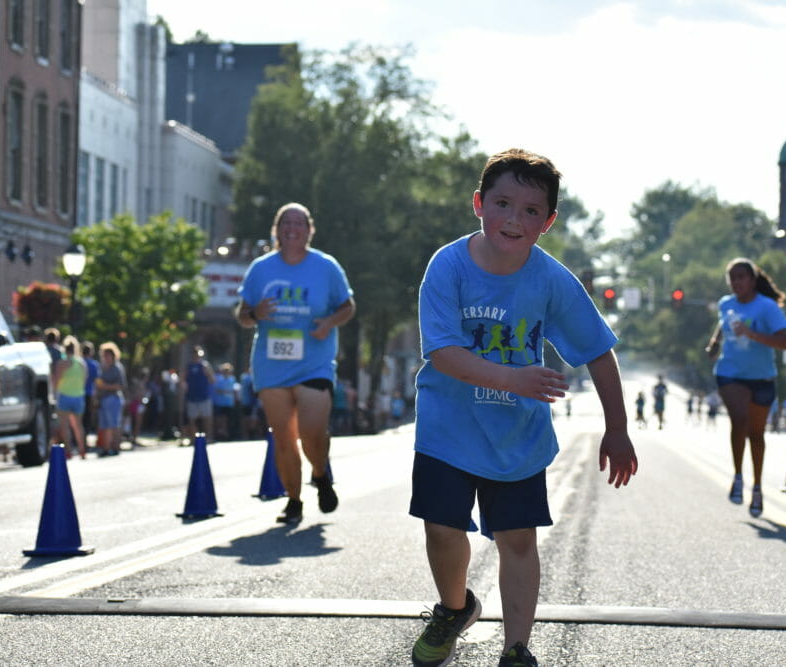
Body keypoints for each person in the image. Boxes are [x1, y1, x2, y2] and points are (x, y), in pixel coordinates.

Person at [409, 149, 637, 667]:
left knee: (516, 540)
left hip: (517, 437)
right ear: (479, 204)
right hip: (448, 428)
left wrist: (618, 428)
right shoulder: (448, 265)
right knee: (442, 529)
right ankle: (454, 608)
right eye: (503, 204)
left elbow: (598, 350)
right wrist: (514, 378)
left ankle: (517, 648)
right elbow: (443, 353)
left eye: (531, 210)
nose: (514, 219)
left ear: (548, 222)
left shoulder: (551, 280)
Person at [235, 202, 356, 525]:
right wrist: (255, 313)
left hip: (314, 362)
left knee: (312, 431)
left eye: (298, 222)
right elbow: (242, 315)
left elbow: (348, 306)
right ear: (277, 230)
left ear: (309, 229)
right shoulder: (260, 268)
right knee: (284, 437)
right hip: (271, 365)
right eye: (285, 222)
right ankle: (294, 500)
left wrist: (329, 322)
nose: (292, 228)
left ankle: (320, 473)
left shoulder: (326, 266)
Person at [706, 257, 786, 518]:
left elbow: (784, 342)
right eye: (732, 278)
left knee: (756, 434)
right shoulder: (726, 303)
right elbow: (723, 323)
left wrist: (750, 333)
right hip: (730, 373)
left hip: (762, 377)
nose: (736, 282)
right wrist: (715, 343)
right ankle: (738, 476)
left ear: (752, 280)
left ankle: (757, 486)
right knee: (739, 419)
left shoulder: (767, 307)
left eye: (741, 277)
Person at [52, 335, 88, 459]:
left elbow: (56, 381)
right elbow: (84, 380)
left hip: (64, 396)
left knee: (65, 426)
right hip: (78, 397)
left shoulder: (62, 363)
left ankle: (69, 451)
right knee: (78, 425)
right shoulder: (82, 363)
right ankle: (82, 450)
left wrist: (54, 394)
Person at [95, 342, 127, 457]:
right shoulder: (102, 368)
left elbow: (121, 385)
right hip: (103, 399)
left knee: (114, 424)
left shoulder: (117, 368)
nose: (106, 357)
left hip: (113, 398)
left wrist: (105, 386)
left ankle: (116, 447)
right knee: (104, 425)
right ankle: (106, 447)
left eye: (108, 355)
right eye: (104, 355)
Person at [183, 347, 215, 442]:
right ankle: (193, 439)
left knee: (207, 418)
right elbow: (183, 380)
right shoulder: (188, 366)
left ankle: (208, 437)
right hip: (191, 396)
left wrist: (207, 373)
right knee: (192, 419)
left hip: (204, 396)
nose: (196, 356)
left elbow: (212, 380)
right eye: (194, 354)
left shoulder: (205, 366)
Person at [212, 362, 239, 441]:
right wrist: (227, 392)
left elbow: (233, 391)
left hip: (229, 403)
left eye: (227, 370)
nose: (226, 372)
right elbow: (217, 390)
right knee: (220, 420)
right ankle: (220, 435)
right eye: (224, 370)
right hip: (220, 403)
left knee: (228, 420)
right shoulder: (218, 379)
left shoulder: (232, 379)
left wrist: (234, 398)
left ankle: (228, 435)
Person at [81, 341, 100, 440]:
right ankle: (84, 438)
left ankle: (77, 439)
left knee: (79, 418)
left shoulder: (79, 362)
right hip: (89, 394)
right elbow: (97, 382)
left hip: (79, 394)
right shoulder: (94, 365)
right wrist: (96, 397)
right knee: (87, 418)